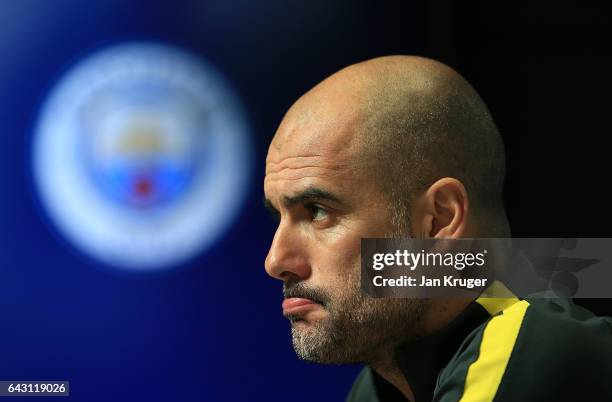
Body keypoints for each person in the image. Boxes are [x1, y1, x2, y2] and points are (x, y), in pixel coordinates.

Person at [263, 56, 612, 402]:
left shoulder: (532, 351)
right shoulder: (381, 381)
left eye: (318, 211)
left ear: (439, 220)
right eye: (278, 215)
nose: (275, 261)